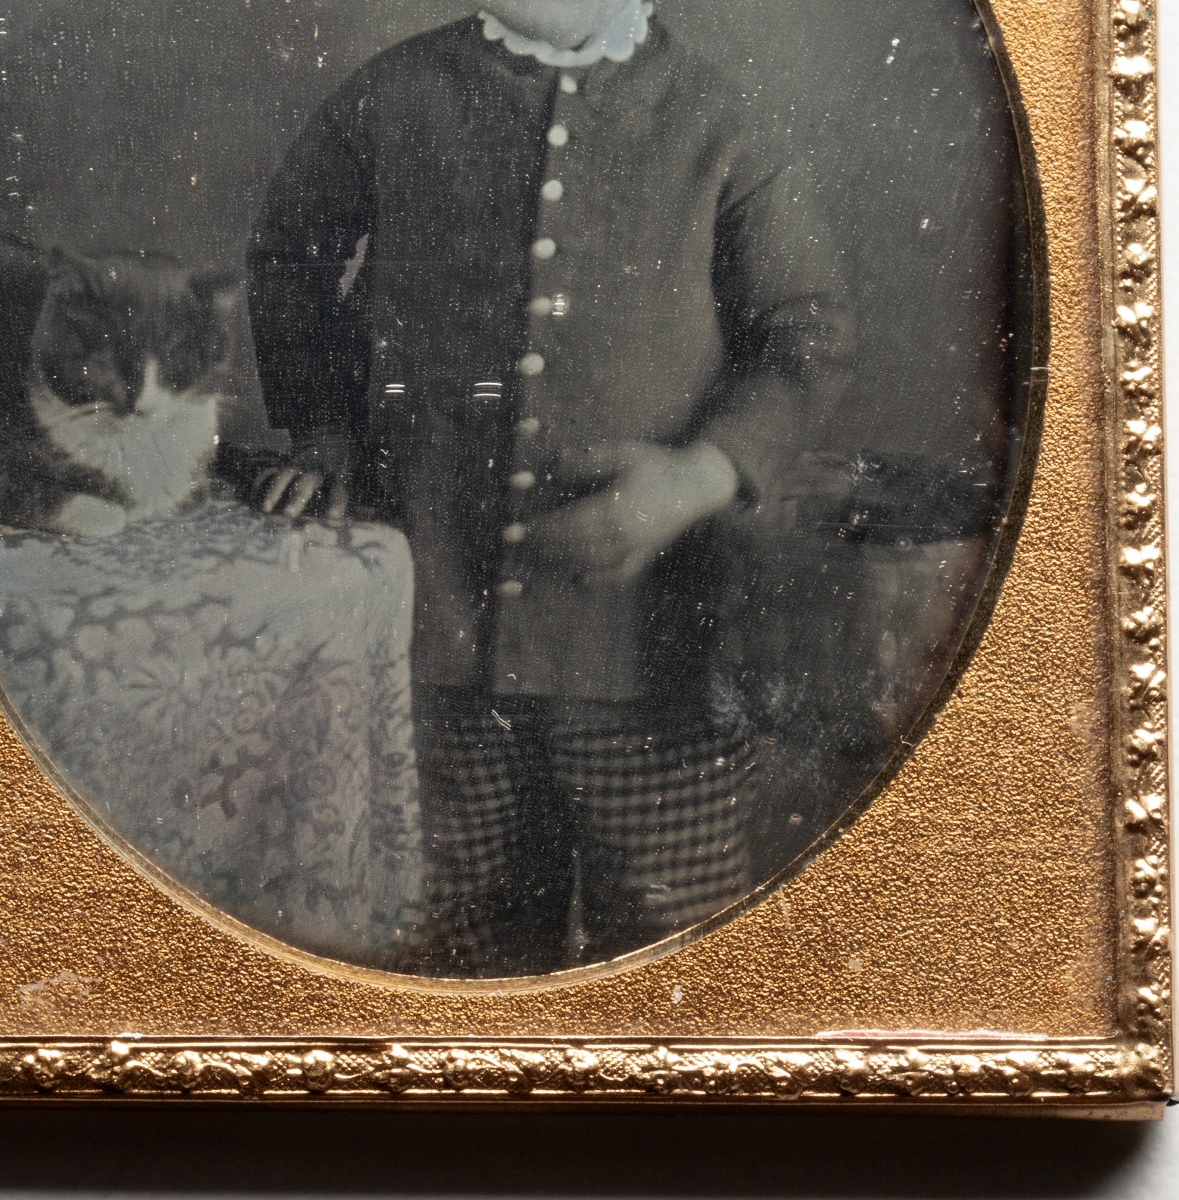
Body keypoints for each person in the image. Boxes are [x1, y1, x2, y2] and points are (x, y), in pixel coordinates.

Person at [247, 0, 855, 976]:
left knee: (669, 960)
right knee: (454, 954)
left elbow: (804, 334)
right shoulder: (391, 95)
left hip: (648, 650)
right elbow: (290, 257)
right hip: (433, 628)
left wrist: (695, 478)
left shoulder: (716, 118)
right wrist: (321, 426)